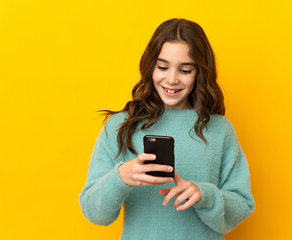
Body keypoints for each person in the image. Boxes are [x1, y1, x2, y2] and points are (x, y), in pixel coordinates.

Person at [79, 18, 254, 240]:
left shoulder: (219, 130)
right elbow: (95, 214)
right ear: (150, 66)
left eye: (185, 70)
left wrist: (205, 196)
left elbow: (242, 206)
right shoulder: (120, 127)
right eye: (162, 67)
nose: (171, 79)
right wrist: (121, 177)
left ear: (199, 72)